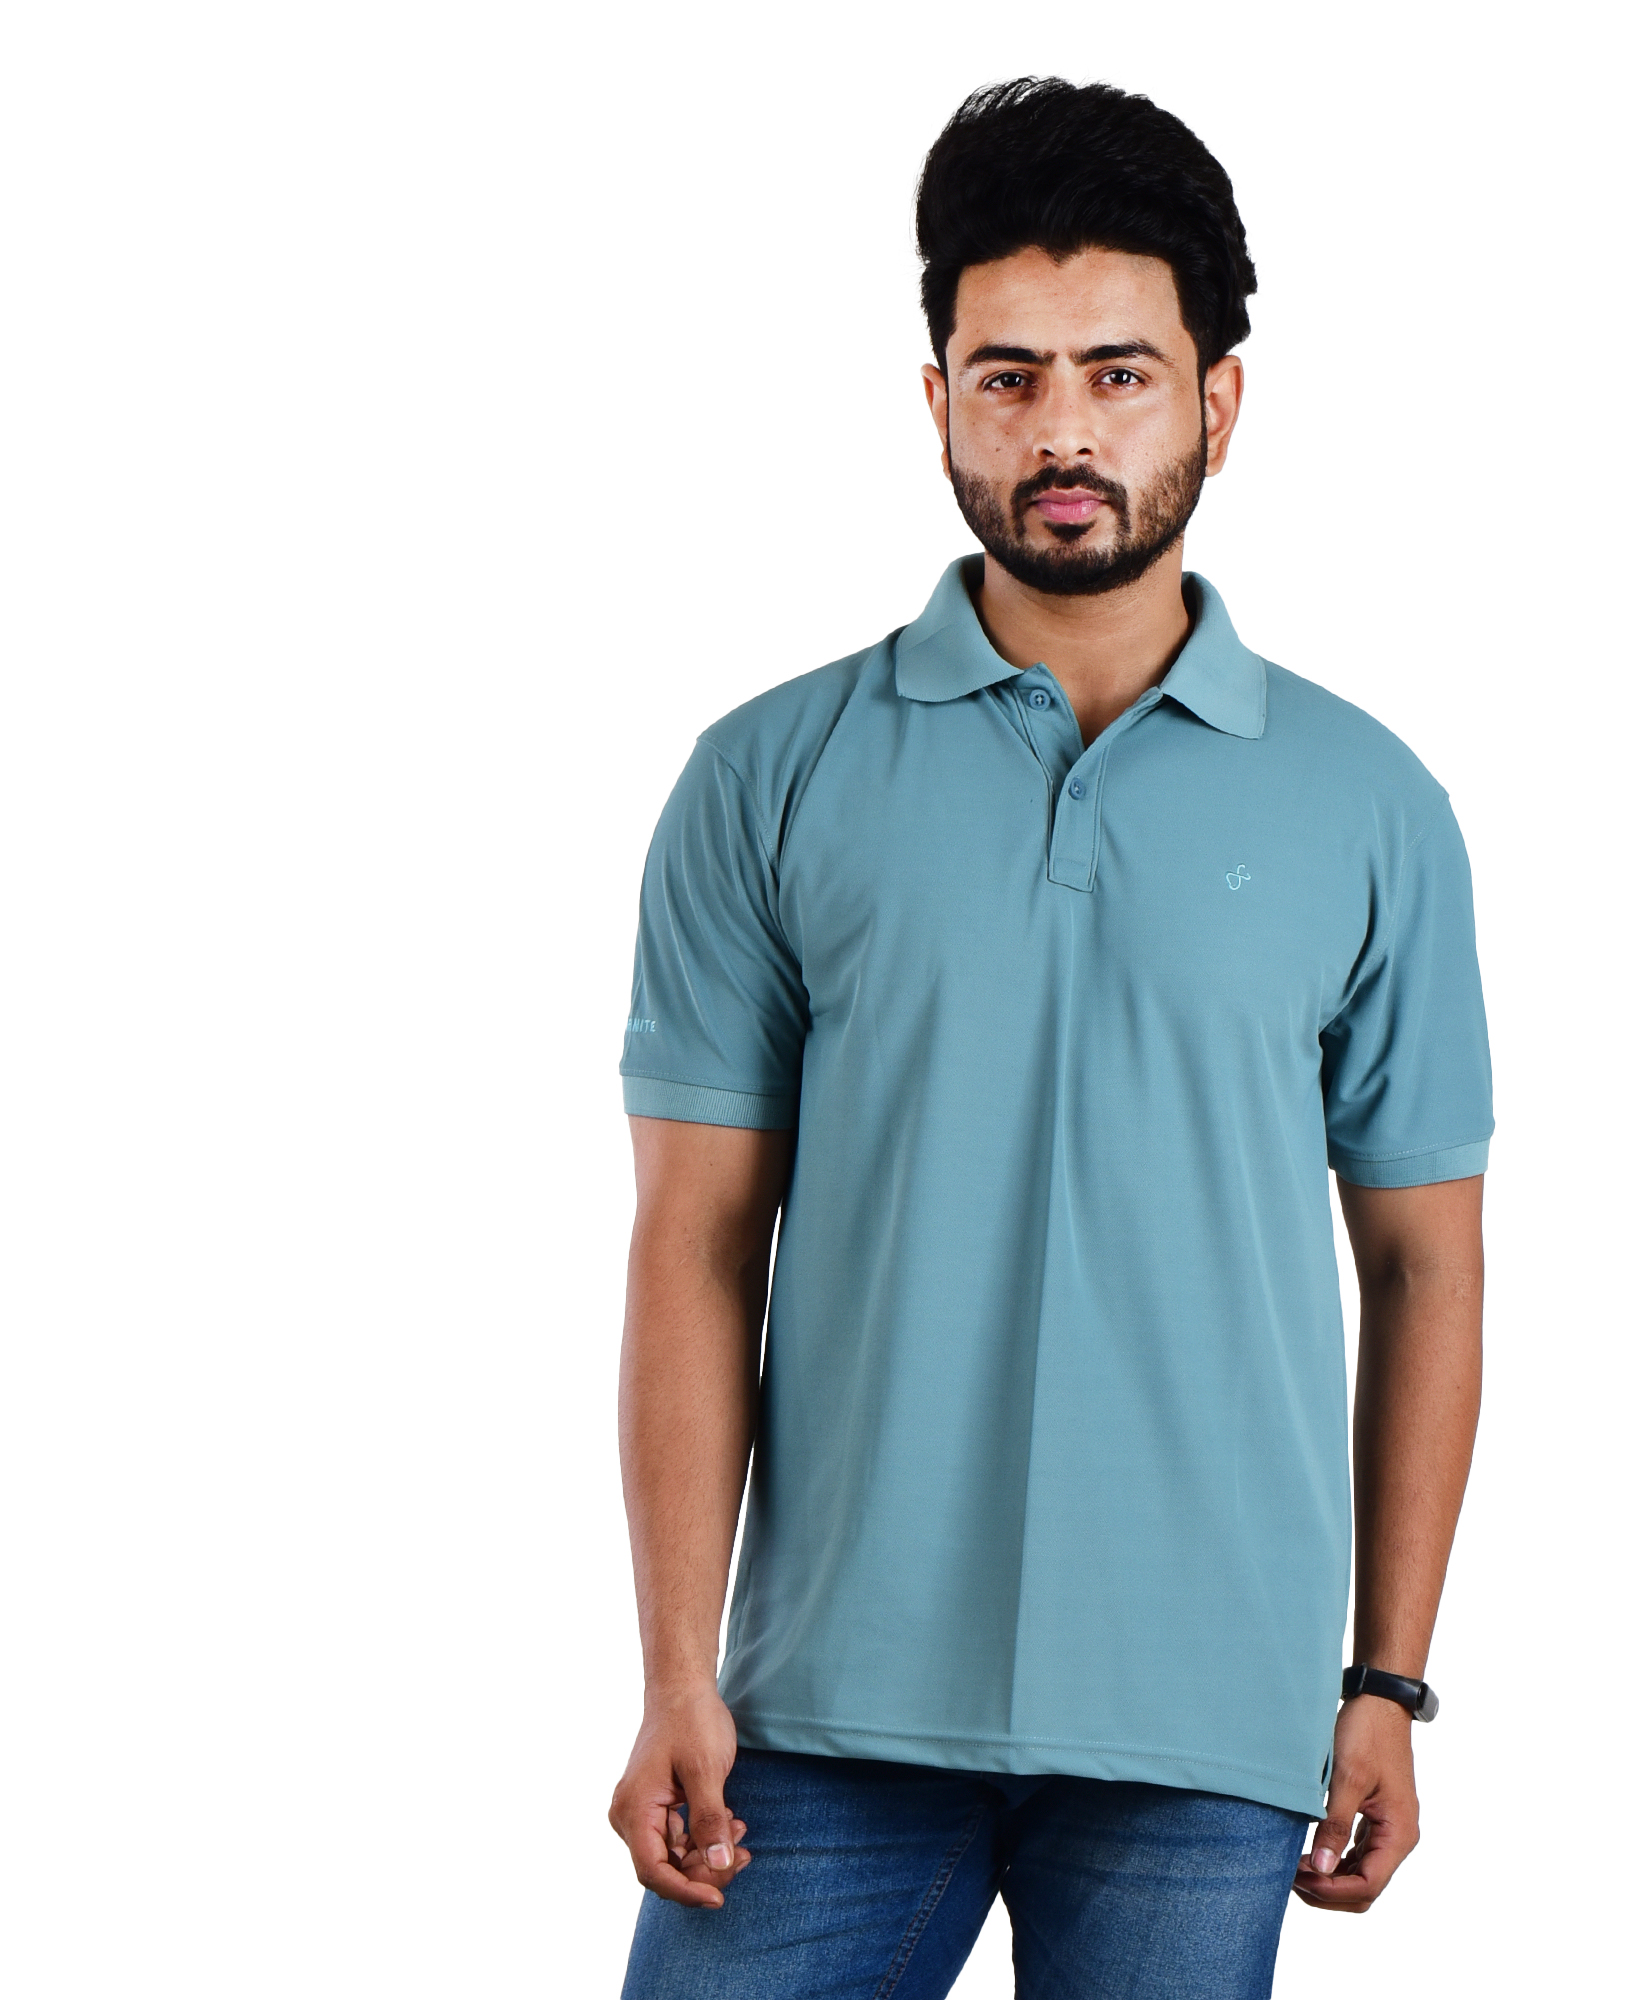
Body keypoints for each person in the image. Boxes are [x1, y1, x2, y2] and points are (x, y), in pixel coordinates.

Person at [607, 76, 1492, 2000]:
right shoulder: (769, 775)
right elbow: (695, 1241)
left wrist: (1388, 1680)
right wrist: (677, 1668)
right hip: (821, 1714)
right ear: (937, 399)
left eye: (1120, 373)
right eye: (1009, 378)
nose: (1064, 431)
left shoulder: (1372, 805)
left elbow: (1427, 1262)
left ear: (1219, 402)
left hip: (1210, 1724)